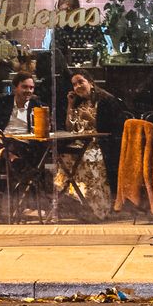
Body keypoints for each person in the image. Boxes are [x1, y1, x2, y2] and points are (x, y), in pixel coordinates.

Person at [55, 70, 120, 215]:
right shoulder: (78, 101)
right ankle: (75, 203)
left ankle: (96, 207)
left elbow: (111, 128)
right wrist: (70, 106)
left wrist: (90, 118)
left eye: (80, 82)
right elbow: (70, 128)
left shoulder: (105, 100)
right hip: (79, 143)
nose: (77, 86)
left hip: (101, 144)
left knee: (87, 159)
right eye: (74, 84)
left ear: (90, 82)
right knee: (64, 158)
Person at [0, 72, 42, 138]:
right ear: (15, 88)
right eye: (25, 87)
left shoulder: (37, 106)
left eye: (31, 88)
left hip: (27, 143)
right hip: (2, 141)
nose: (29, 91)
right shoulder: (2, 103)